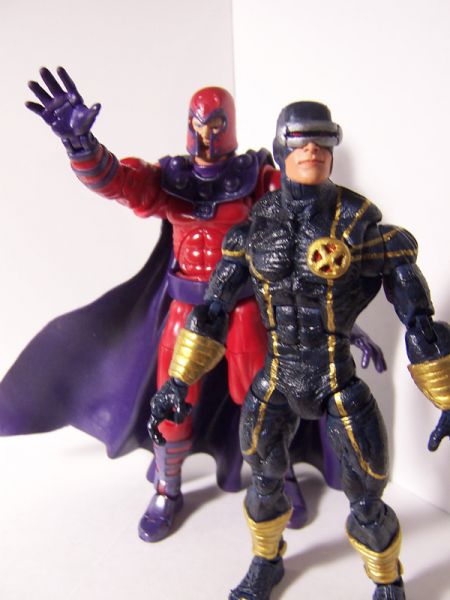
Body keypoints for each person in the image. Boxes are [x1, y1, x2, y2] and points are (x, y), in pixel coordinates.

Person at [0, 69, 384, 544]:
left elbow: (301, 211)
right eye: (198, 124)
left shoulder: (256, 177)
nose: (205, 134)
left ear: (231, 124)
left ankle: (278, 479)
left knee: (267, 399)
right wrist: (83, 146)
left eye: (215, 124)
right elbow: (119, 182)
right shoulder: (169, 178)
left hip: (243, 309)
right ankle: (168, 487)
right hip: (187, 312)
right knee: (173, 399)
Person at [148, 101, 450, 599]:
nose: (311, 149)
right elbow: (213, 312)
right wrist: (178, 383)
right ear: (279, 149)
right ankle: (266, 562)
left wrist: (445, 395)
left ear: (333, 147)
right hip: (277, 377)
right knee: (263, 481)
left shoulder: (362, 227)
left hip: (336, 381)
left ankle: (387, 580)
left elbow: (418, 320)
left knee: (367, 494)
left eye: (322, 139)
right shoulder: (253, 230)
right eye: (298, 139)